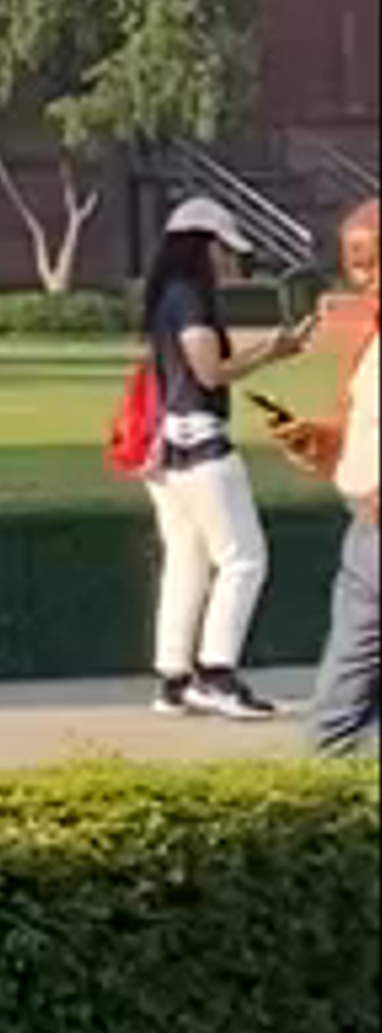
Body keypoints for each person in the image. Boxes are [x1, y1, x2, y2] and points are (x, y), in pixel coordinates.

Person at [139, 200, 300, 723]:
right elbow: (210, 372)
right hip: (203, 443)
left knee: (186, 561)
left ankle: (174, 678)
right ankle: (217, 674)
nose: (232, 264)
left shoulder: (166, 294)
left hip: (169, 446)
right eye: (228, 252)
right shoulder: (191, 298)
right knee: (243, 558)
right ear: (204, 246)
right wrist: (272, 353)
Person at [268, 191, 381, 760]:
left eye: (377, 261)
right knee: (333, 731)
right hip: (364, 534)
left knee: (333, 736)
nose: (368, 279)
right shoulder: (370, 338)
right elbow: (359, 428)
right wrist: (320, 442)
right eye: (357, 266)